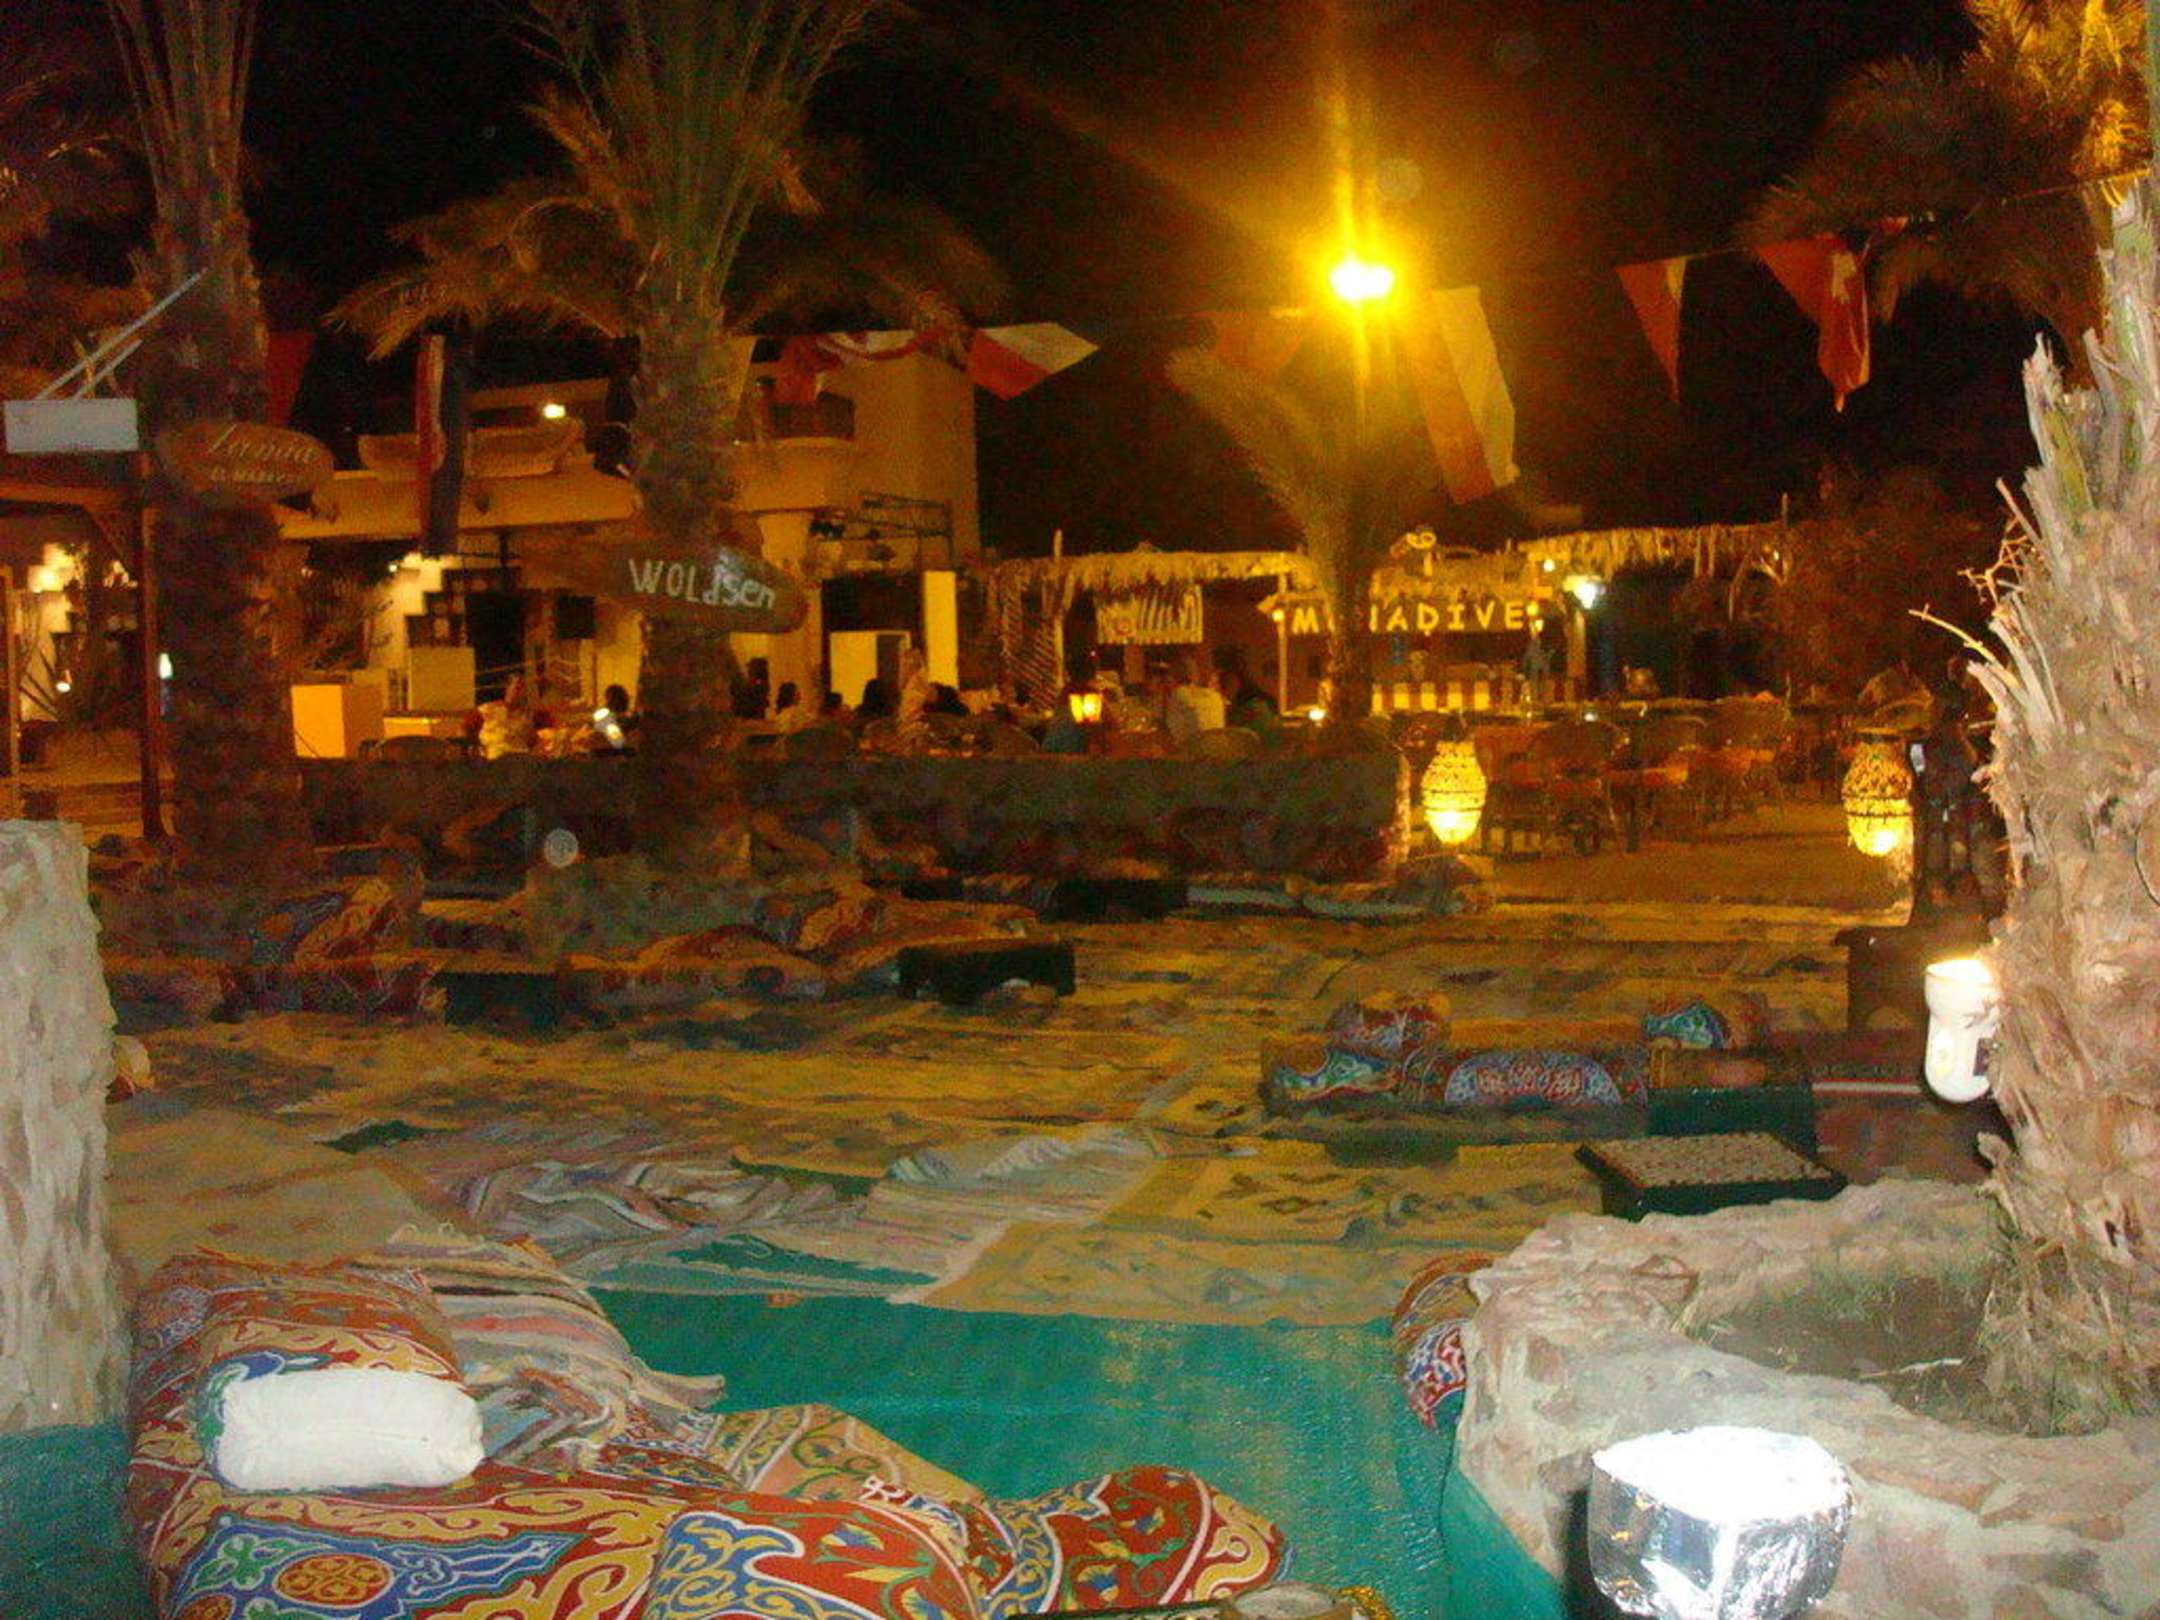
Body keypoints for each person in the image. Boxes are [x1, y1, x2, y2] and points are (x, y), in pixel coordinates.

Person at [1163, 653, 1226, 748]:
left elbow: (1172, 731)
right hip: (1217, 750)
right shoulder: (1215, 696)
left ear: (1173, 677)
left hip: (1192, 751)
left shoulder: (1179, 694)